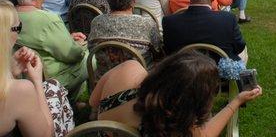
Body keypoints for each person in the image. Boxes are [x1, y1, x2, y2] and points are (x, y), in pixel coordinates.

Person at [89, 50, 262, 136]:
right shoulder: (177, 126)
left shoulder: (129, 68)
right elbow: (207, 133)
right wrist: (236, 101)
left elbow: (92, 102)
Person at [0, 0, 74, 137]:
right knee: (54, 87)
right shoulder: (20, 90)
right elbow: (47, 134)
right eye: (18, 28)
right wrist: (36, 81)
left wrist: (9, 72)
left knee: (53, 85)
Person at [12, 0, 88, 97]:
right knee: (90, 56)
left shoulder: (7, 15)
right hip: (50, 80)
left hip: (19, 75)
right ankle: (76, 102)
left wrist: (67, 38)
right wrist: (80, 45)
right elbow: (73, 55)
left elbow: (34, 38)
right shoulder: (48, 19)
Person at [163, 0, 247, 61]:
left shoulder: (169, 22)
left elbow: (169, 51)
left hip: (183, 71)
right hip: (219, 72)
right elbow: (239, 46)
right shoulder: (228, 19)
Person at [88, 0, 161, 71]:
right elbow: (158, 53)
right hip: (139, 83)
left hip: (105, 81)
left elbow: (91, 49)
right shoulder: (147, 24)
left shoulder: (96, 22)